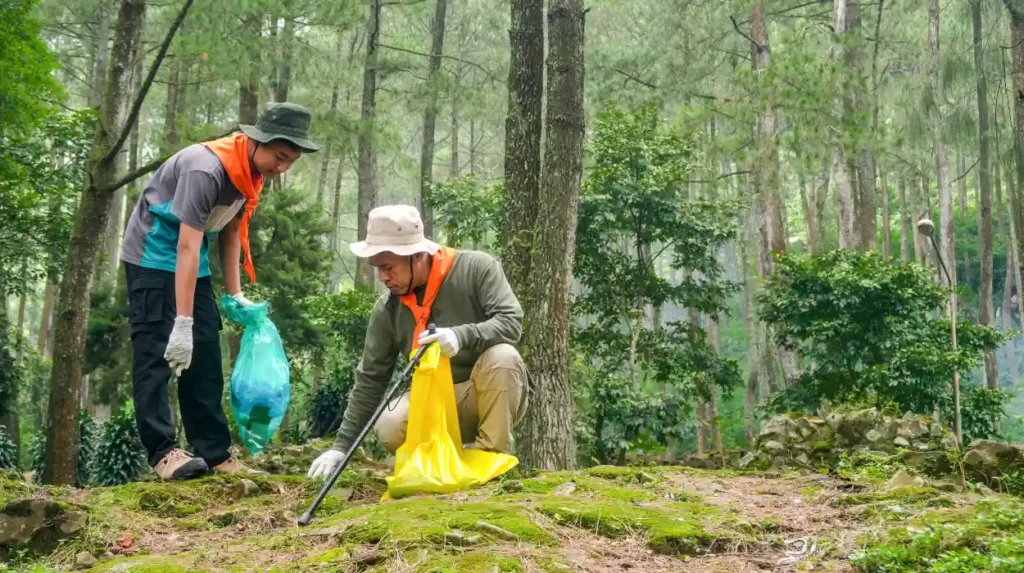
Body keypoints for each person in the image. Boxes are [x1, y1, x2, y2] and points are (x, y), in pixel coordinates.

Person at [120, 102, 320, 481]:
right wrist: (181, 322)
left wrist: (234, 294)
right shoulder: (207, 169)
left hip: (192, 261)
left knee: (207, 352)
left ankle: (214, 452)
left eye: (290, 161)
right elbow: (186, 245)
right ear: (258, 140)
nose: (282, 168)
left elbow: (231, 231)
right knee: (155, 352)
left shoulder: (250, 173)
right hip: (153, 255)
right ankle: (163, 453)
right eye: (279, 157)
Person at [307, 205, 529, 480]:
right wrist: (341, 448)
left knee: (504, 357)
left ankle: (489, 464)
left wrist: (461, 336)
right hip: (433, 401)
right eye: (378, 268)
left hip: (486, 392)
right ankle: (437, 466)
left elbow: (511, 322)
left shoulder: (476, 269)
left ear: (418, 255)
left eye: (388, 267)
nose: (383, 277)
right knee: (389, 425)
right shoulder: (388, 309)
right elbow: (371, 379)